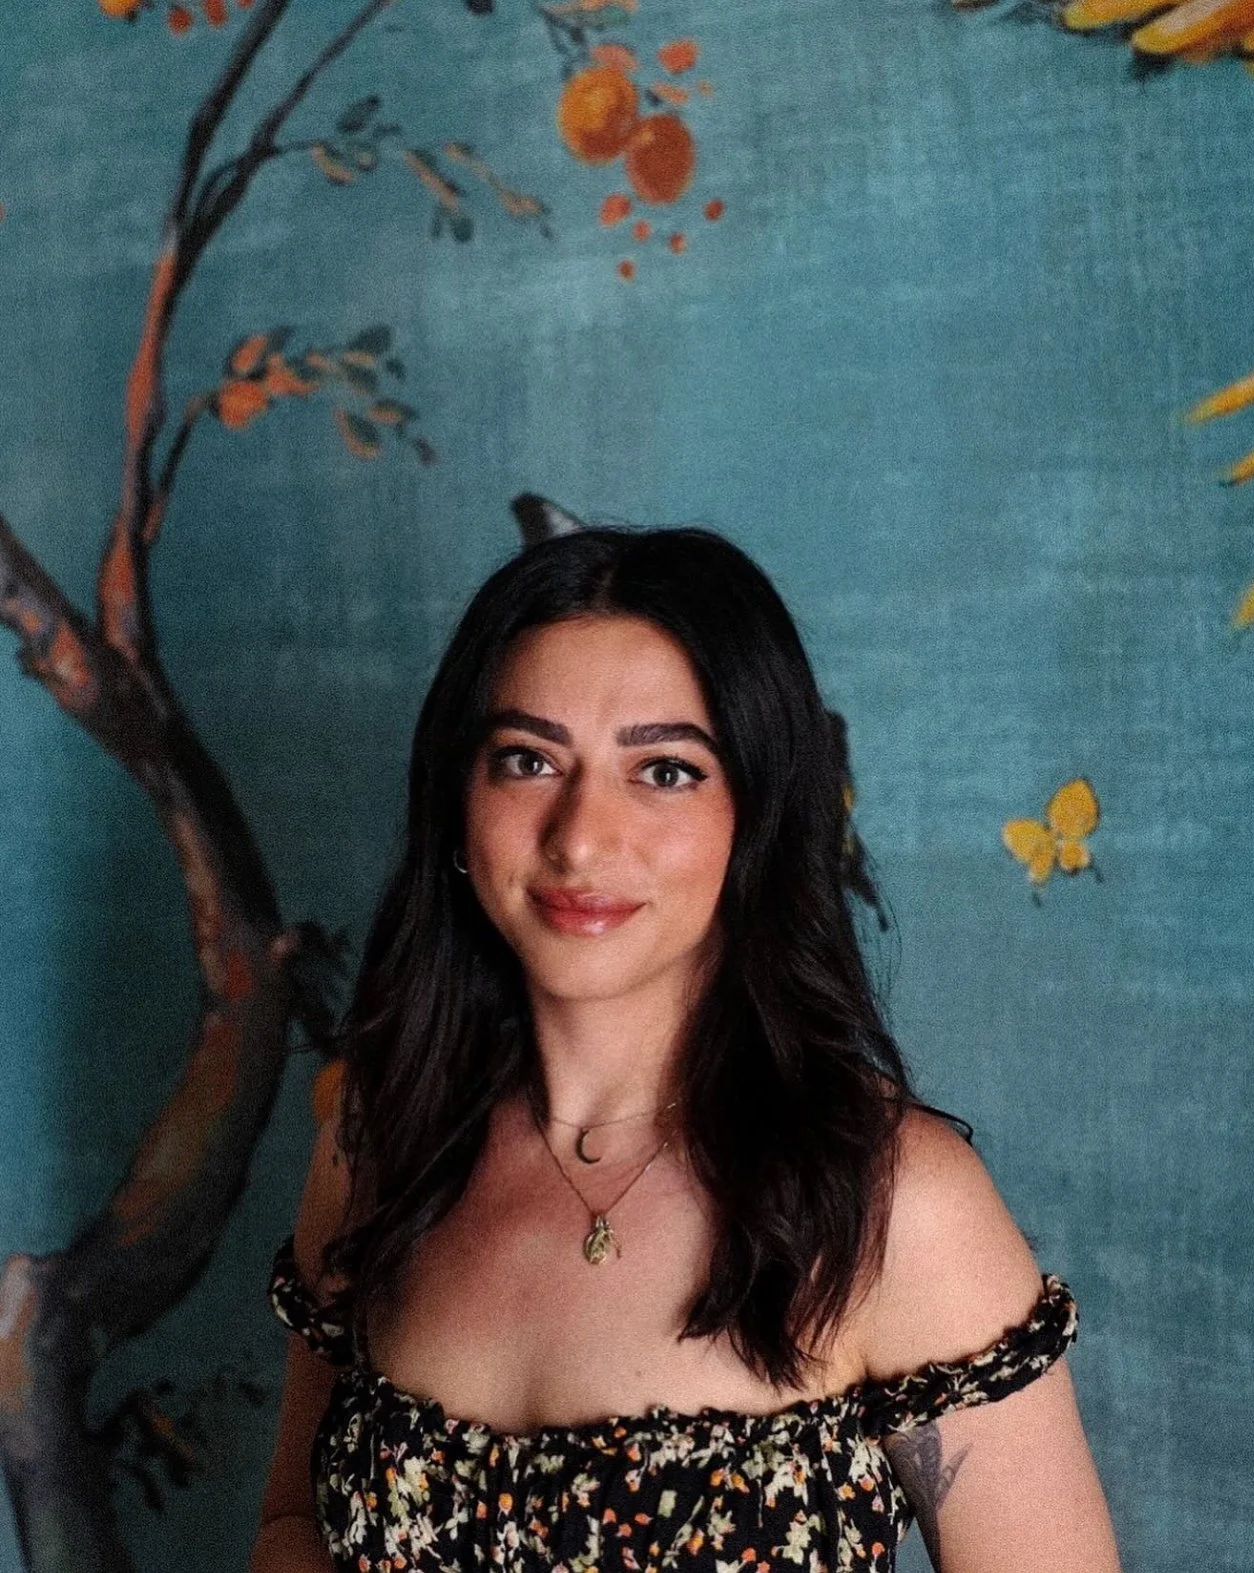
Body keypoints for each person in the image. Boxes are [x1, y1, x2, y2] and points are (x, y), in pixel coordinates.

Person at [249, 526, 1122, 1573]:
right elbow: (292, 1523)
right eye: (528, 760)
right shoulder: (377, 1142)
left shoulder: (896, 1203)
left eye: (664, 770)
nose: (581, 837)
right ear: (456, 803)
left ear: (755, 819)